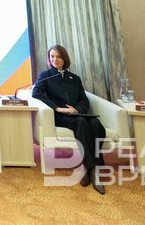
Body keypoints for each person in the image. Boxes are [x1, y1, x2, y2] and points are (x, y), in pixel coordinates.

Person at [32, 44, 106, 195]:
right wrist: (57, 108)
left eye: (58, 57)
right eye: (52, 56)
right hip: (59, 116)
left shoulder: (75, 78)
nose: (55, 59)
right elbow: (36, 94)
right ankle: (94, 171)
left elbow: (84, 100)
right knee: (81, 123)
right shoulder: (45, 76)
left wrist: (77, 110)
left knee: (96, 125)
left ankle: (89, 170)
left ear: (64, 59)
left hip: (76, 113)